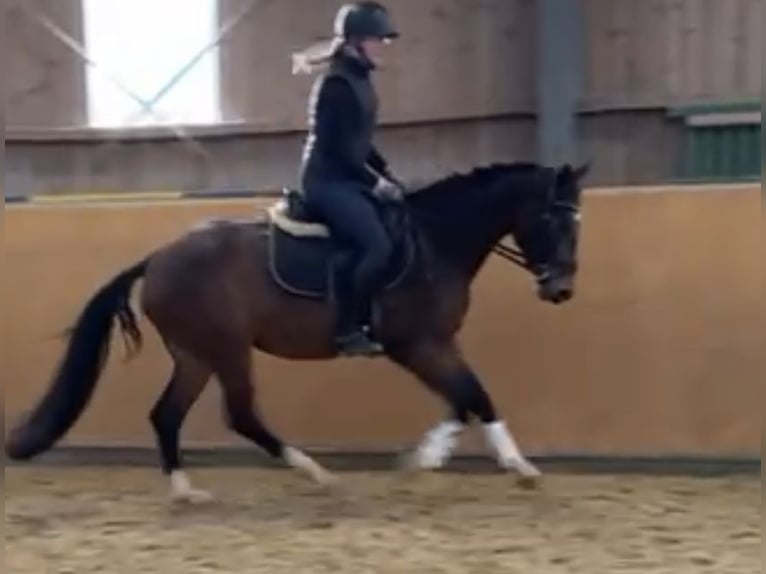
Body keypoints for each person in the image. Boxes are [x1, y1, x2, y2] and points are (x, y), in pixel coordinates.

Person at [295, 2, 405, 357]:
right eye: (378, 39)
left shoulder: (359, 80)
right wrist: (376, 184)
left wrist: (389, 176)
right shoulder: (336, 85)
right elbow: (340, 149)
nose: (382, 47)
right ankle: (347, 329)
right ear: (356, 41)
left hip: (348, 178)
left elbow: (362, 142)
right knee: (376, 246)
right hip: (326, 182)